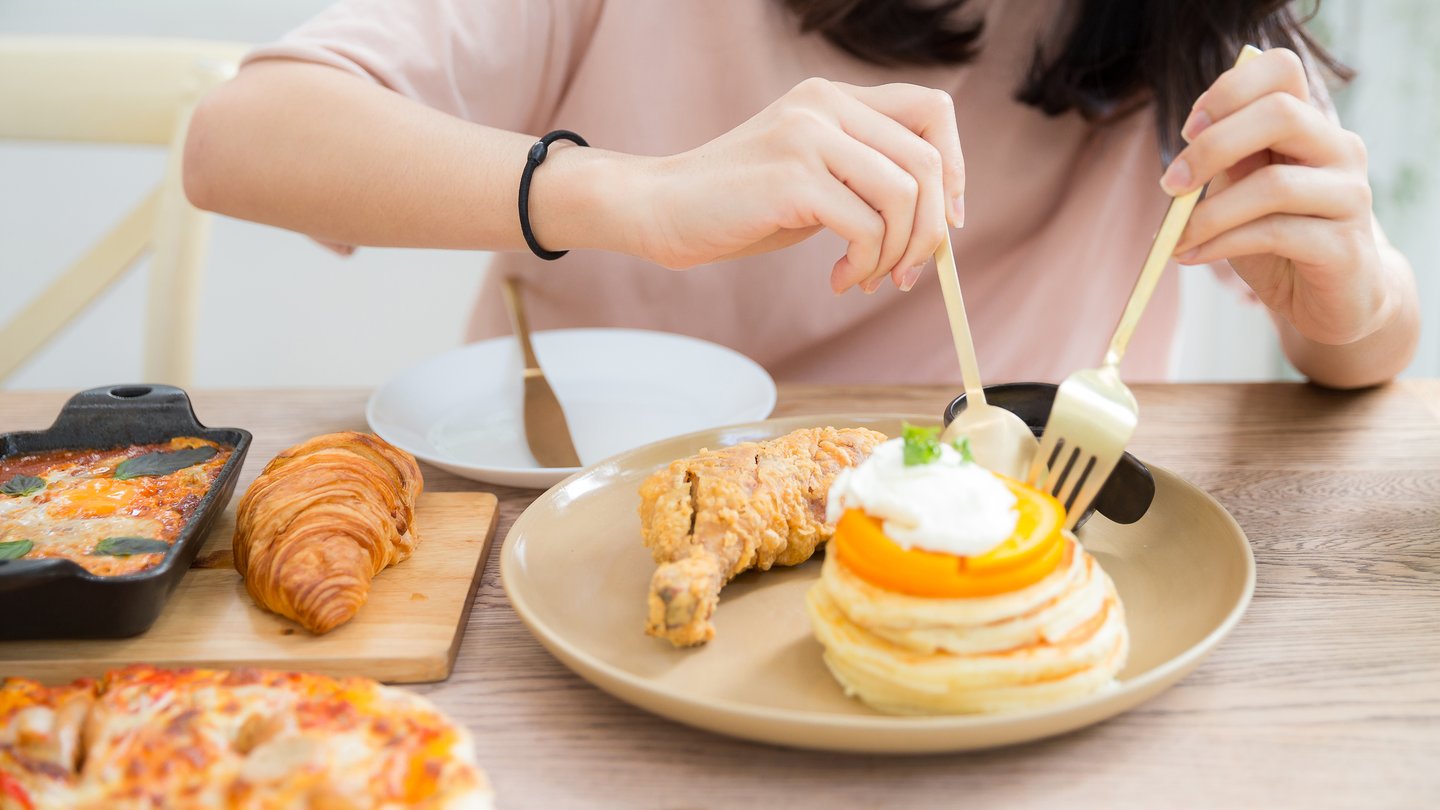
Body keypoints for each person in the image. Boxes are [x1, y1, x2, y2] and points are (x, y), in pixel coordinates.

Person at [183, 0, 1420, 387]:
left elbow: (1361, 347)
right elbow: (241, 135)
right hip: (573, 537)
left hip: (1015, 587)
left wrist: (1350, 301)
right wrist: (635, 196)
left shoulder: (1195, 24)